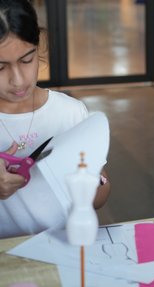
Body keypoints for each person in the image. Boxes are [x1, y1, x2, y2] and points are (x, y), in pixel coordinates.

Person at [0, 0, 110, 238]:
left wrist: (87, 186)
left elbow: (100, 194)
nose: (18, 80)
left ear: (39, 46)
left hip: (64, 248)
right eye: (0, 67)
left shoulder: (70, 112)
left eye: (27, 60)